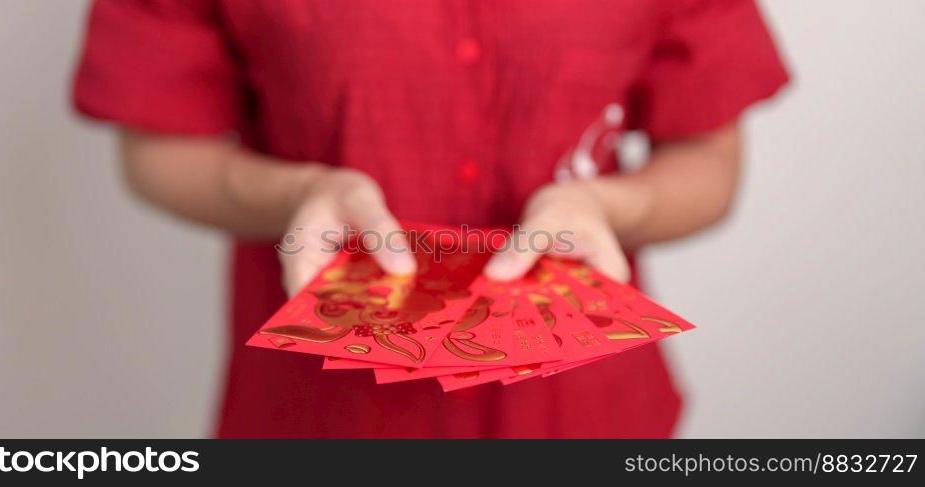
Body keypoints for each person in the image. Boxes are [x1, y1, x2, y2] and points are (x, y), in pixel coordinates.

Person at [73, 0, 788, 437]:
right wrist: (297, 194)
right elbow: (160, 151)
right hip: (321, 416)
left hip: (583, 414)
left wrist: (610, 205)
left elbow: (708, 156)